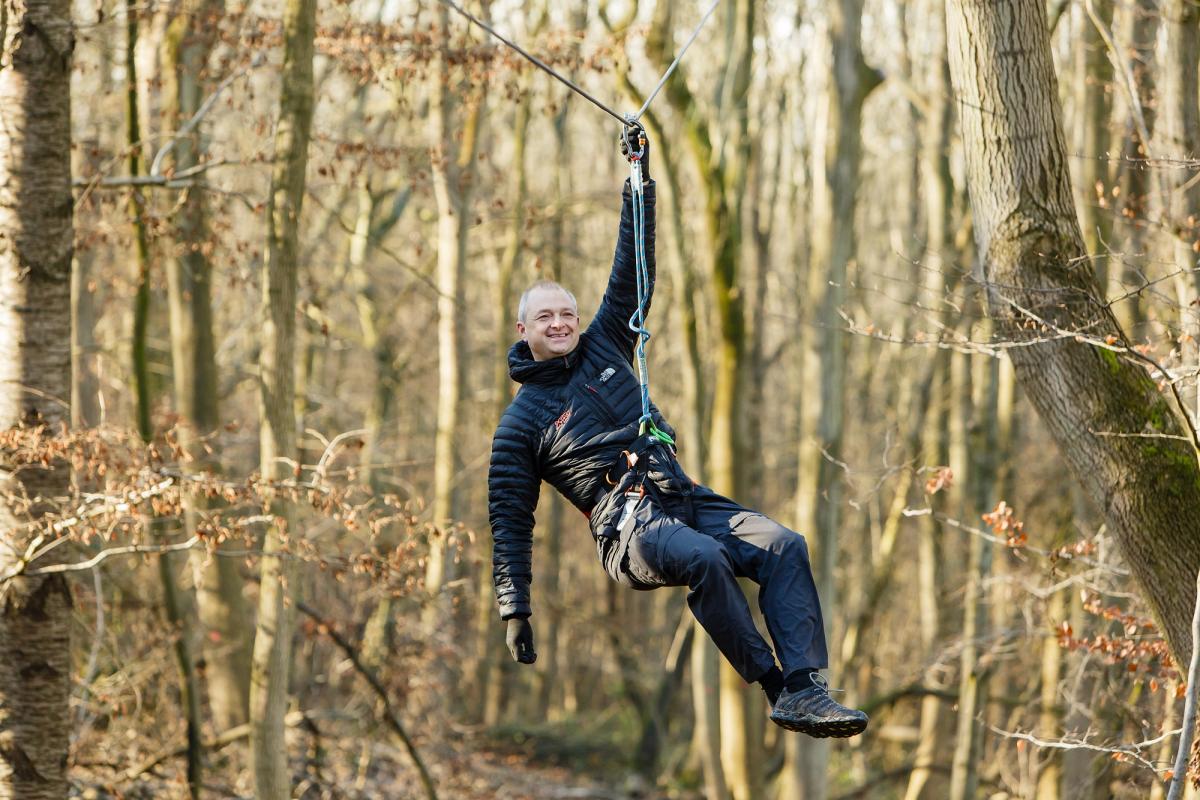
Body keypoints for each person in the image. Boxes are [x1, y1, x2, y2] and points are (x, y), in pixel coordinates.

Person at [487, 125, 868, 738]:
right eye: (546, 317)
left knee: (783, 544)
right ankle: (775, 688)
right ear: (523, 326)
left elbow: (634, 269)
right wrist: (516, 609)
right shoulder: (520, 424)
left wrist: (638, 180)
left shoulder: (607, 342)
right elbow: (510, 522)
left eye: (567, 313)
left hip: (683, 496)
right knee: (707, 558)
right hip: (627, 528)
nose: (560, 324)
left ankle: (805, 687)